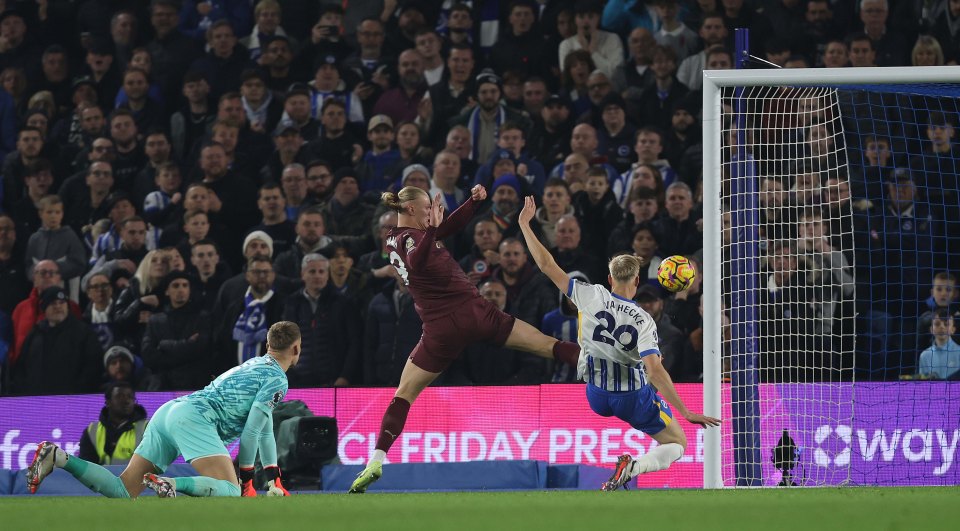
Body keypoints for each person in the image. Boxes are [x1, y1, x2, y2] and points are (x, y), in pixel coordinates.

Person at [348, 185, 582, 493]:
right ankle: (612, 366)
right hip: (475, 312)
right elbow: (419, 259)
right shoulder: (414, 238)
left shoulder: (395, 239)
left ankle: (375, 460)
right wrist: (433, 231)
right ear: (412, 211)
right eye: (427, 208)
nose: (432, 213)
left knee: (403, 394)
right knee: (547, 345)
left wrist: (472, 204)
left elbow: (443, 229)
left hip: (439, 329)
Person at [516, 195, 719, 490]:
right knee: (677, 443)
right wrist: (686, 411)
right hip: (630, 398)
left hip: (596, 395)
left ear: (610, 280)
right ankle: (633, 467)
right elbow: (655, 372)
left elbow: (547, 264)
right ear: (637, 281)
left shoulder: (589, 294)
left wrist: (524, 223)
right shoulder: (643, 320)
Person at [27, 321, 302, 498]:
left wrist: (273, 479)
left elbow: (265, 431)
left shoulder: (253, 364)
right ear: (297, 348)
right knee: (229, 490)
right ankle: (171, 483)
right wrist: (246, 481)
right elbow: (251, 432)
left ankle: (59, 458)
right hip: (196, 419)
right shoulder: (278, 379)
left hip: (170, 411)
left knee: (123, 491)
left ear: (267, 345)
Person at [78, 382, 149, 465]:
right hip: (100, 478)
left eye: (130, 397)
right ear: (108, 403)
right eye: (120, 396)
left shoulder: (147, 429)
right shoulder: (92, 430)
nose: (127, 401)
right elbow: (86, 466)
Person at [917, 310, 960, 380]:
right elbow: (923, 385)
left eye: (946, 324)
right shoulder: (924, 355)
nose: (941, 327)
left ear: (953, 329)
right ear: (931, 329)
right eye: (937, 324)